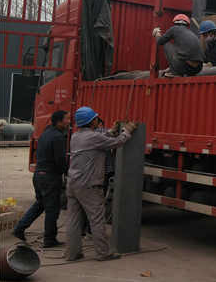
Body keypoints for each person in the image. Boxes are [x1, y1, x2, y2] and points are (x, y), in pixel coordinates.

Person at [65, 106, 136, 261]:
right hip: (89, 185)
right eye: (96, 118)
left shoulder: (76, 136)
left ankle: (72, 253)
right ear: (92, 121)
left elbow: (100, 139)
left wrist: (112, 130)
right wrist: (127, 131)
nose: (98, 120)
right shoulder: (93, 138)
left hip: (73, 184)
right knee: (96, 219)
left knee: (73, 220)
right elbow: (117, 142)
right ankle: (103, 253)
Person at [13, 110, 70, 247]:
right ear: (59, 121)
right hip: (50, 177)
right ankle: (49, 239)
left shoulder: (46, 133)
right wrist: (66, 172)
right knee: (52, 209)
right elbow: (60, 160)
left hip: (39, 175)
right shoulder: (57, 137)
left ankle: (19, 228)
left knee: (40, 204)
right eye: (67, 119)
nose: (69, 122)